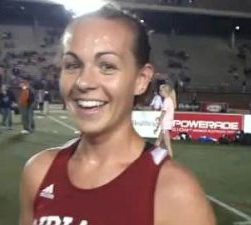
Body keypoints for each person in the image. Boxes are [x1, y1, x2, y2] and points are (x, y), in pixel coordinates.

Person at [19, 6, 215, 225]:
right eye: (72, 65)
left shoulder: (175, 192)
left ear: (141, 79)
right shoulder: (39, 171)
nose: (84, 82)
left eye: (107, 66)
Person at [154, 84, 176, 157]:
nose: (160, 92)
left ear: (165, 92)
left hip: (165, 124)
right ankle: (153, 154)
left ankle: (170, 158)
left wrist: (158, 123)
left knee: (167, 144)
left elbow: (163, 113)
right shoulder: (170, 100)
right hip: (167, 123)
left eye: (161, 91)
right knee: (158, 141)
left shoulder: (167, 100)